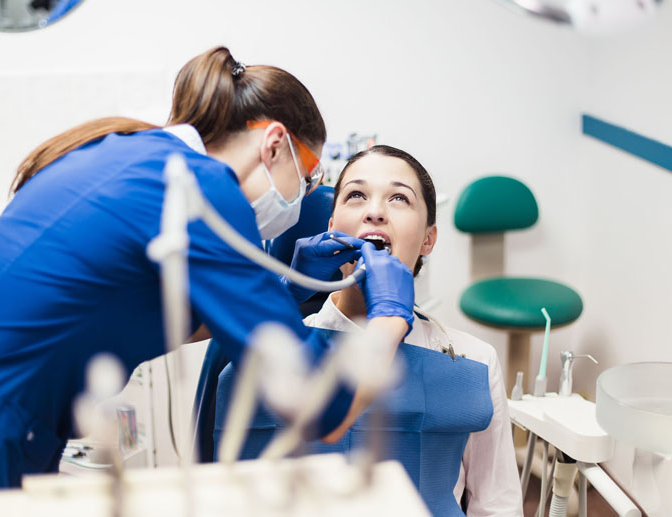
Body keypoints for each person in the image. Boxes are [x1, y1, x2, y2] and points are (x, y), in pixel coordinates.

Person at [0, 47, 414, 516]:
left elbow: (144, 315)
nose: (305, 194)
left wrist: (286, 291)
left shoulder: (129, 152)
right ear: (273, 143)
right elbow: (319, 407)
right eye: (307, 176)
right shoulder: (201, 191)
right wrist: (392, 316)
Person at [211, 145, 523, 516]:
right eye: (356, 195)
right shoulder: (273, 348)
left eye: (399, 198)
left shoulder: (473, 363)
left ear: (428, 238)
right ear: (331, 228)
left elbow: (497, 503)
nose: (375, 211)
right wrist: (282, 296)